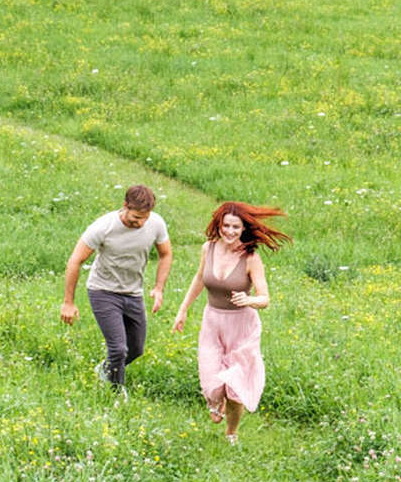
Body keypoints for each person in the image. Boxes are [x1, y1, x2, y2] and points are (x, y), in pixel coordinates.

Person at [172, 202, 289, 444]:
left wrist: (249, 299)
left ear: (243, 228)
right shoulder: (209, 248)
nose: (230, 231)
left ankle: (231, 433)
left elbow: (265, 298)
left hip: (242, 327)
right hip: (213, 322)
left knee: (235, 389)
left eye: (235, 227)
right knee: (210, 381)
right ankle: (216, 401)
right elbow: (198, 279)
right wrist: (183, 310)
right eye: (226, 225)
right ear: (219, 225)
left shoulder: (251, 258)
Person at [61, 184, 172, 397]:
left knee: (136, 348)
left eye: (145, 217)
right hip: (103, 291)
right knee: (118, 349)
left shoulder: (155, 223)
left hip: (133, 292)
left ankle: (105, 369)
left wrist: (159, 288)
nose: (140, 223)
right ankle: (116, 393)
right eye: (136, 217)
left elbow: (166, 254)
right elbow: (75, 261)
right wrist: (68, 301)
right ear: (125, 206)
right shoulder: (103, 227)